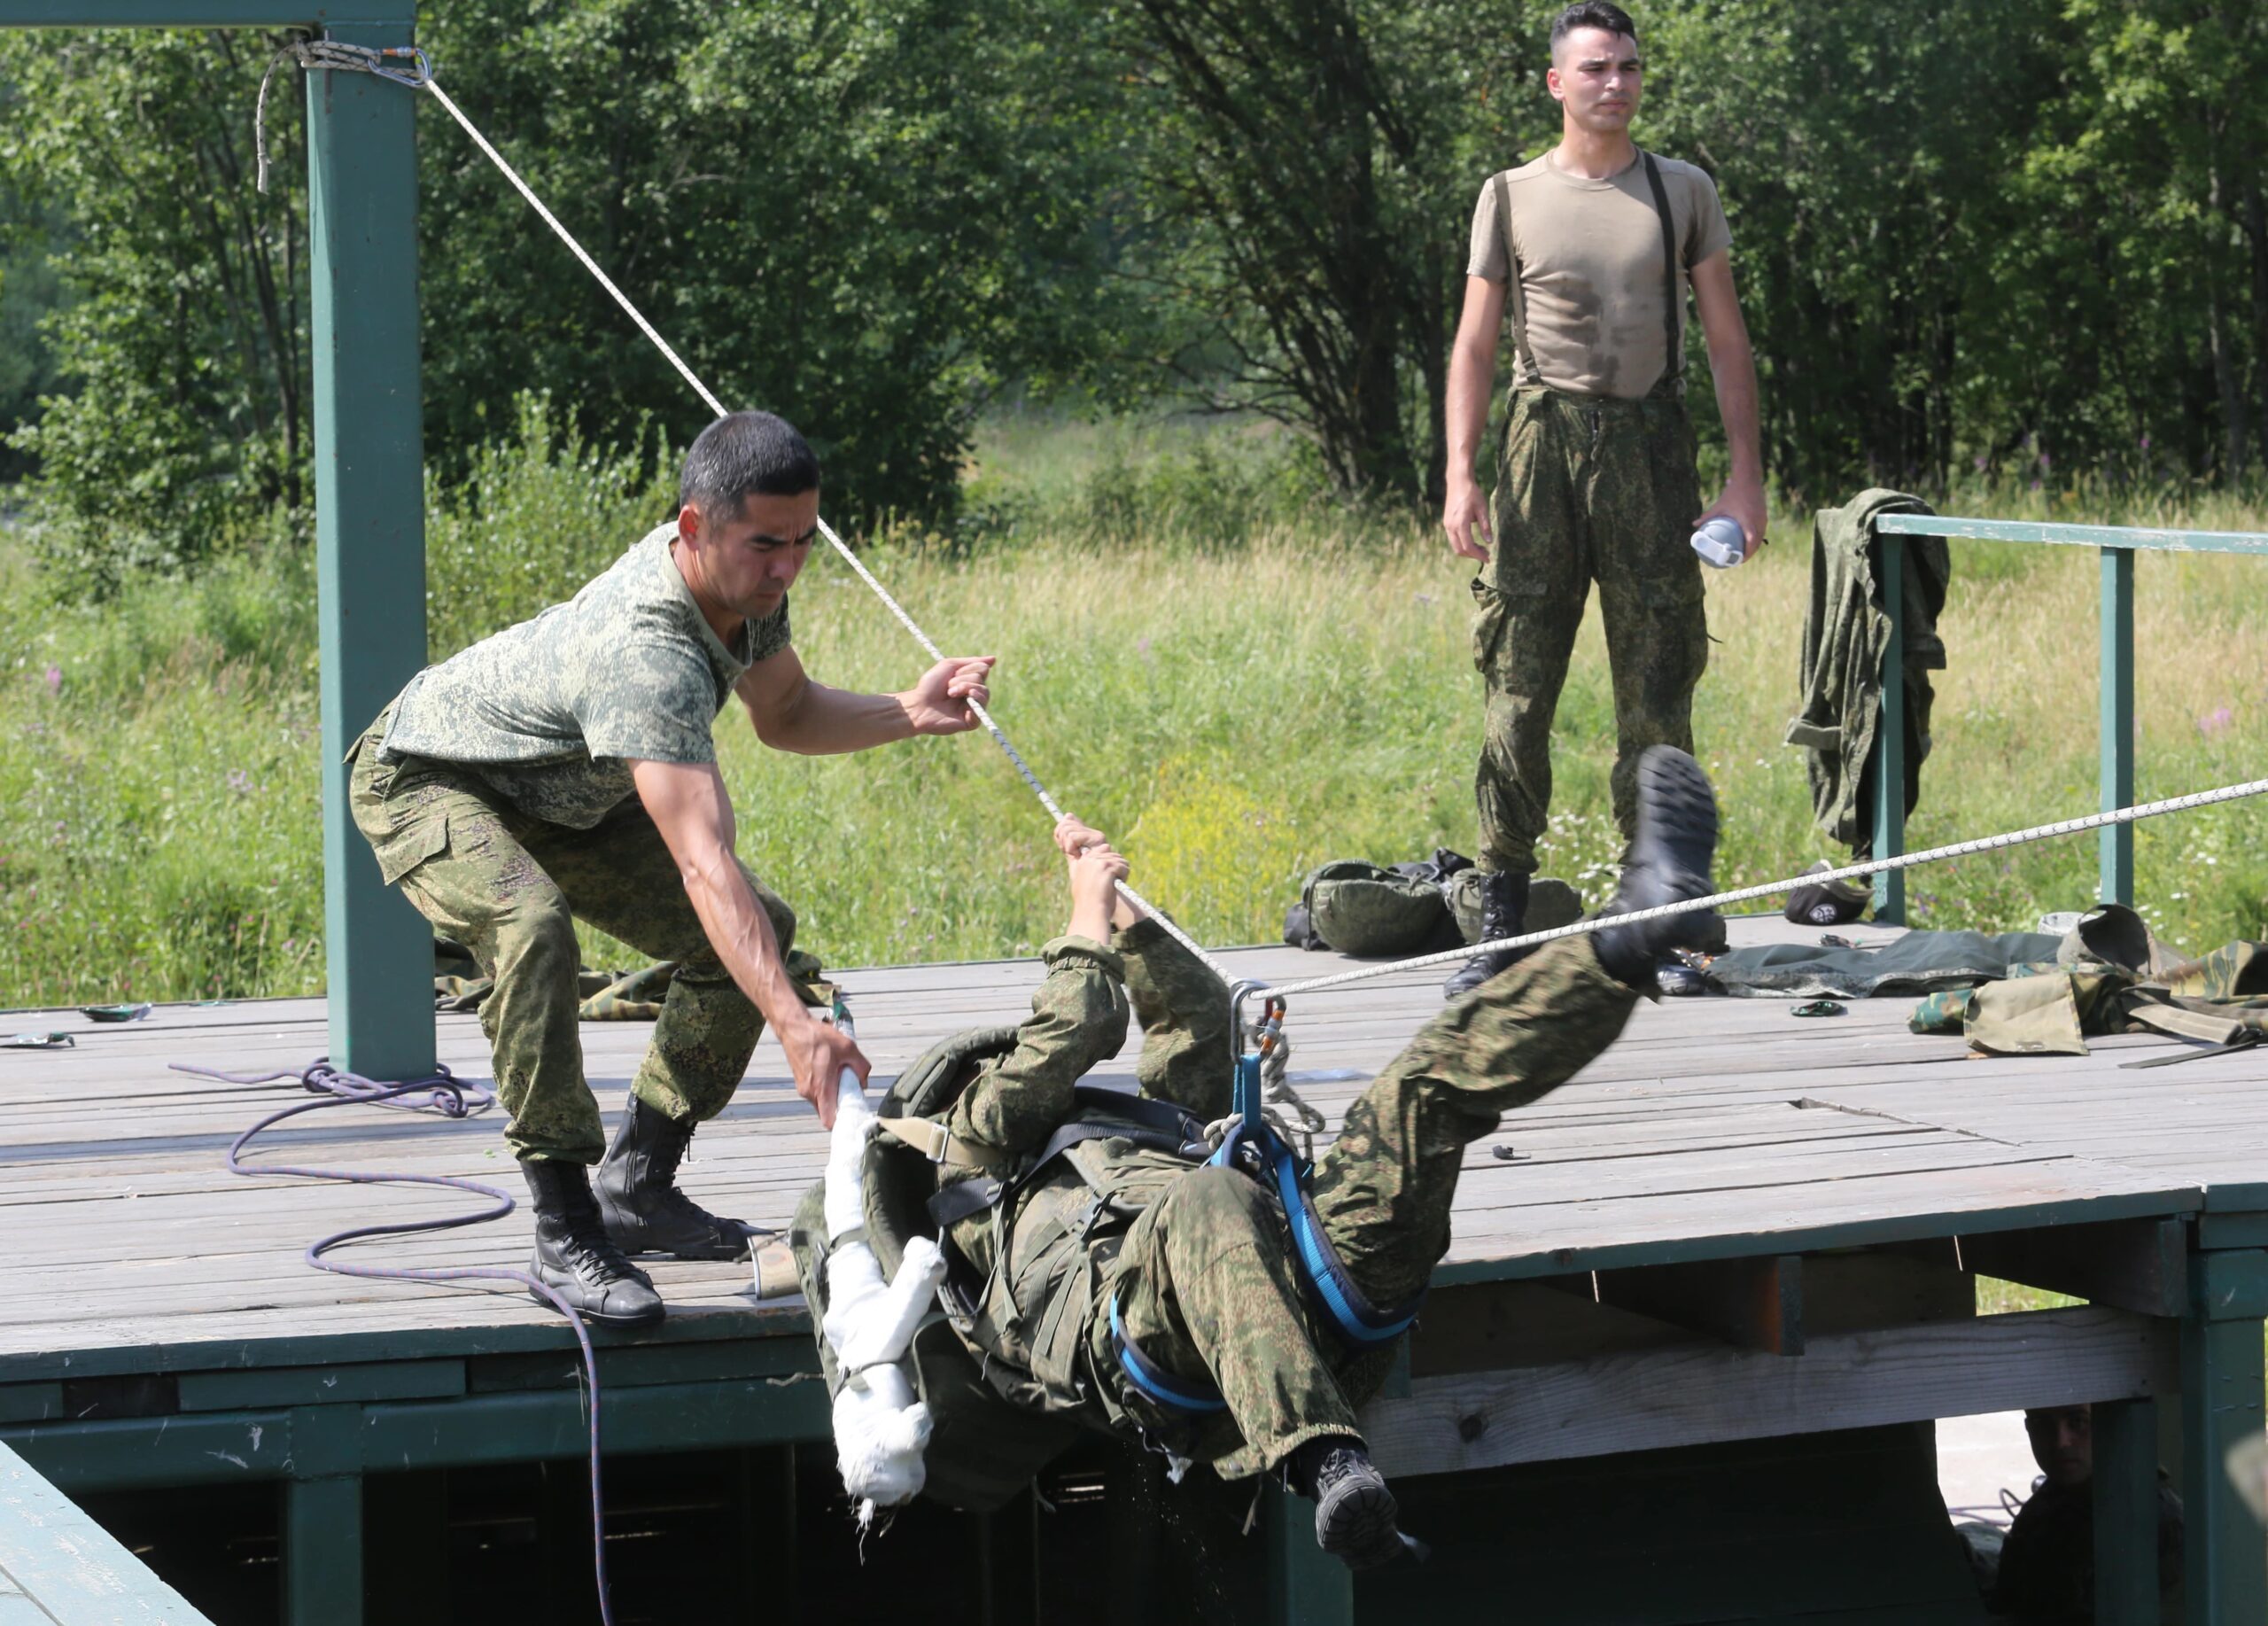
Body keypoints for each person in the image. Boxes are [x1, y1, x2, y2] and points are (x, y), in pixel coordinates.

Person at [827, 745, 1721, 1567]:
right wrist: (1083, 914)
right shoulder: (969, 1144)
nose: (1036, 1072)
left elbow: (1197, 1017)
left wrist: (1133, 921)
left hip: (1305, 1288)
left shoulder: (1139, 1132)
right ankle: (1327, 1464)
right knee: (1208, 1199)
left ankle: (1625, 938)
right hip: (1149, 1337)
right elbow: (1077, 1022)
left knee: (1416, 1092)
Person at [347, 410, 996, 1327]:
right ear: (694, 527)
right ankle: (565, 1226)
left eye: (804, 542)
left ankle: (638, 1185)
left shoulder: (744, 588)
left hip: (564, 792)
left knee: (752, 935)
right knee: (533, 931)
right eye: (765, 544)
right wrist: (796, 1024)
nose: (786, 567)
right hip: (429, 775)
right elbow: (702, 859)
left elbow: (788, 710)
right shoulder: (643, 651)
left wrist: (908, 710)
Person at [1437, 0, 1765, 998]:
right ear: (1557, 83)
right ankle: (1498, 920)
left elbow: (1724, 341)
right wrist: (1458, 471)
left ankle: (1672, 921)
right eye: (1594, 69)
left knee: (1659, 690)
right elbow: (1476, 344)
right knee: (1518, 689)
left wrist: (1744, 475)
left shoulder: (1681, 191)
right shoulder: (1509, 194)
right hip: (1538, 448)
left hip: (1650, 446)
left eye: (1627, 66)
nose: (1614, 83)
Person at [1989, 1404, 2182, 1622]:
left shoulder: (2155, 1519)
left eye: (2078, 1422)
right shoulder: (2047, 1502)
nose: (2061, 1442)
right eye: (2041, 1424)